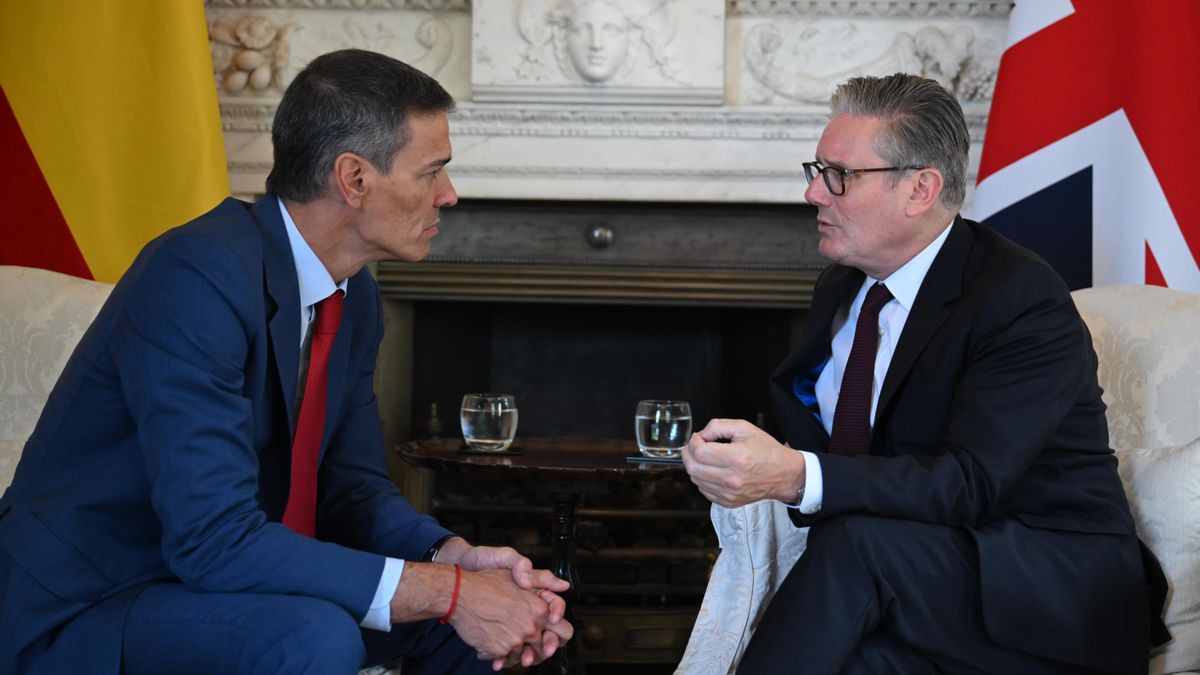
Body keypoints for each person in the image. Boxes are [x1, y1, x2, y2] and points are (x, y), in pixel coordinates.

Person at [0, 49, 572, 675]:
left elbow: (351, 490)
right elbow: (212, 540)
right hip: (90, 604)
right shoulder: (196, 276)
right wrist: (445, 592)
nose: (449, 195)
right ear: (354, 178)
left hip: (216, 587)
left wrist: (451, 557)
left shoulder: (354, 295)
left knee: (478, 629)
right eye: (432, 172)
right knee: (315, 636)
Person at [683, 73, 1168, 674]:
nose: (814, 194)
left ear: (920, 189)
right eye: (817, 170)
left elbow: (969, 483)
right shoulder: (843, 285)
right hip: (909, 583)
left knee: (855, 545)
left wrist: (793, 475)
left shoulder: (1018, 296)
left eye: (839, 176)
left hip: (1039, 579)